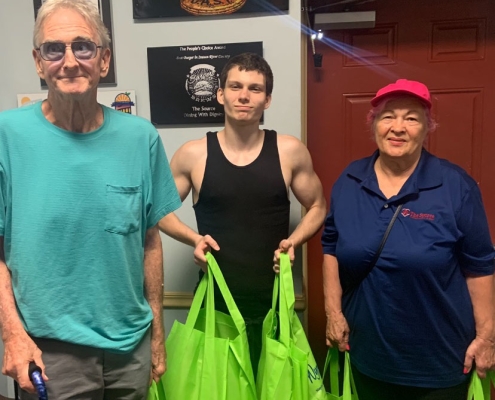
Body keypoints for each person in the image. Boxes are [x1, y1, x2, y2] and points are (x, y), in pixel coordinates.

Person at [0, 0, 181, 398]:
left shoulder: (141, 138)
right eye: (54, 49)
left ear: (104, 60)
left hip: (129, 350)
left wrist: (156, 334)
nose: (69, 62)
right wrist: (12, 335)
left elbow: (150, 241)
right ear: (38, 62)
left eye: (83, 46)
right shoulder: (6, 136)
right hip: (48, 351)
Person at [321, 79, 495, 400]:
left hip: (439, 361)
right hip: (366, 355)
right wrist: (333, 313)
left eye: (411, 118)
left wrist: (486, 338)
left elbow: (480, 266)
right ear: (374, 124)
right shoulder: (350, 180)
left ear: (427, 128)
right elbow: (330, 246)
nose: (398, 127)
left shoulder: (455, 185)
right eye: (388, 116)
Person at [159, 52, 326, 372]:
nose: (244, 96)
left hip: (274, 305)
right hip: (215, 305)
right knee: (217, 391)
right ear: (221, 94)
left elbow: (318, 206)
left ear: (267, 100)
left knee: (276, 391)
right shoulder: (193, 154)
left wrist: (294, 241)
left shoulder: (289, 150)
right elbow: (158, 210)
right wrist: (194, 239)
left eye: (255, 88)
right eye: (235, 86)